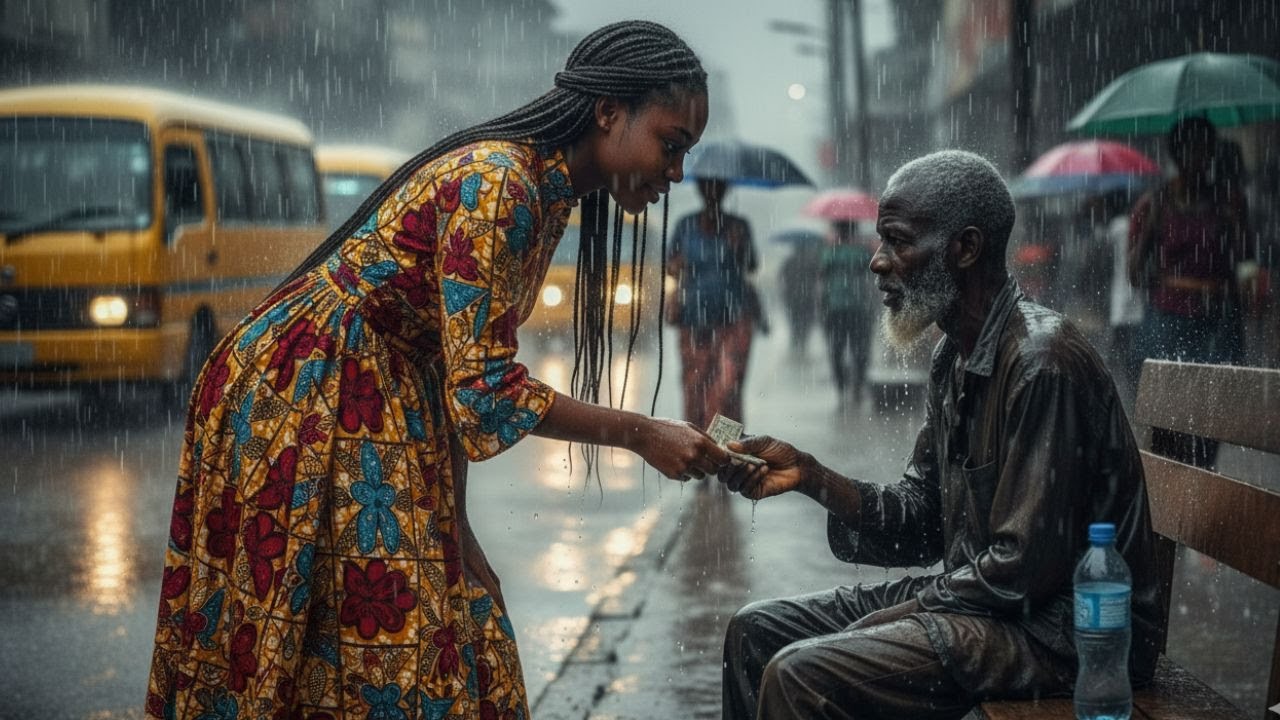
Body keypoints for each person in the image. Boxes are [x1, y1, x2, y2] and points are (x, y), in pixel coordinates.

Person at [145, 21, 729, 720]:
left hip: (378, 394)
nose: (677, 173)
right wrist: (640, 432)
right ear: (608, 112)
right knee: (362, 644)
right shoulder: (501, 184)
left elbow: (457, 373)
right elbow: (486, 391)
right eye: (671, 145)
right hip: (304, 394)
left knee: (439, 628)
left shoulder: (546, 192)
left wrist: (456, 523)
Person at [717, 150, 1160, 720]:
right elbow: (923, 519)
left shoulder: (1041, 363)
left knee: (800, 673)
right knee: (756, 631)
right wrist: (811, 477)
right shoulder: (954, 353)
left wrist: (902, 616)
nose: (878, 262)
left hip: (1064, 634)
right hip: (990, 609)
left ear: (965, 248)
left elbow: (1023, 572)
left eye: (897, 242)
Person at [1129, 116, 1251, 467]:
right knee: (1168, 423)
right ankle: (1171, 486)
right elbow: (1136, 275)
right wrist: (1150, 231)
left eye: (1206, 150)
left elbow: (1246, 264)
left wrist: (1234, 224)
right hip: (1168, 324)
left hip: (1218, 324)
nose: (1201, 159)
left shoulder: (1227, 202)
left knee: (1213, 418)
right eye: (1193, 150)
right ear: (1177, 154)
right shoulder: (1154, 204)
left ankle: (1203, 481)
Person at [666, 177, 762, 430]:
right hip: (693, 317)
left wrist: (739, 246)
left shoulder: (739, 226)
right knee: (695, 385)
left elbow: (752, 265)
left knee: (728, 385)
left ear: (725, 190)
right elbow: (671, 265)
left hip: (734, 316)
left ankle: (725, 445)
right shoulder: (686, 225)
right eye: (707, 186)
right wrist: (679, 264)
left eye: (718, 187)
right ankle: (696, 443)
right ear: (699, 190)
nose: (712, 192)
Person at [817, 220, 876, 401]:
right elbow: (873, 272)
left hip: (835, 308)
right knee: (861, 348)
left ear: (838, 231)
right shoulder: (862, 252)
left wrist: (822, 306)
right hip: (860, 307)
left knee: (836, 348)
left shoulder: (830, 252)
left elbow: (821, 278)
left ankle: (841, 384)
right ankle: (858, 383)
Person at [779, 236, 822, 355]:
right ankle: (802, 347)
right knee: (806, 324)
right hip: (808, 299)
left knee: (794, 324)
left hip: (792, 299)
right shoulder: (812, 261)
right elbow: (819, 277)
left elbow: (781, 279)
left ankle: (795, 347)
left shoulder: (788, 262)